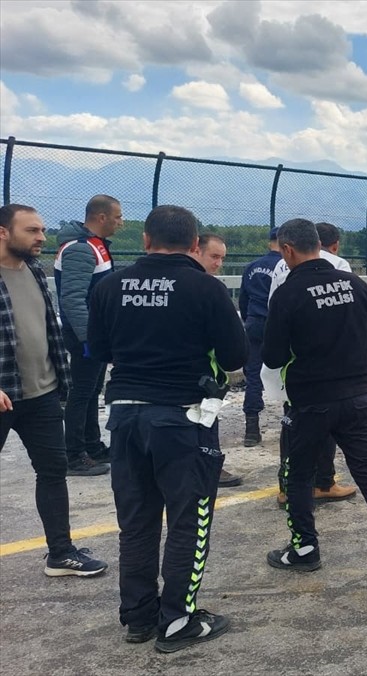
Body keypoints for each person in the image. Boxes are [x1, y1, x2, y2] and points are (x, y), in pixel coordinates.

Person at [88, 204, 247, 653]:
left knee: (136, 521)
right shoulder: (205, 288)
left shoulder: (110, 285)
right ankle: (178, 619)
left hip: (124, 415)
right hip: (182, 417)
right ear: (195, 244)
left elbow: (97, 349)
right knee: (188, 520)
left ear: (144, 240)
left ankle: (138, 616)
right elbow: (236, 357)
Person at [261, 218, 367, 598]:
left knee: (299, 474)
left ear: (286, 250)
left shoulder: (288, 293)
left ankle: (304, 548)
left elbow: (271, 354)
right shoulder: (355, 284)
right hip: (358, 394)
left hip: (311, 400)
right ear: (321, 244)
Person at [0, 204, 109, 578]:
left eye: (42, 229)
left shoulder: (32, 270)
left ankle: (60, 553)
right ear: (3, 232)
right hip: (4, 394)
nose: (42, 238)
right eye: (31, 230)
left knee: (53, 471)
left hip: (41, 393)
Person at [265, 221, 357, 506]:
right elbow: (346, 313)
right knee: (327, 424)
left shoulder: (281, 266)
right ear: (330, 244)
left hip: (291, 362)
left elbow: (273, 309)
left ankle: (286, 486)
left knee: (291, 422)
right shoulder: (339, 265)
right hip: (329, 363)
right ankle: (323, 483)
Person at [54, 194, 122, 476]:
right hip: (85, 335)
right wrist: (87, 338)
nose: (121, 222)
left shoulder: (95, 246)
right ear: (101, 217)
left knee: (92, 389)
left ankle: (92, 446)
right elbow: (72, 299)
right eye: (117, 216)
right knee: (81, 392)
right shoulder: (81, 249)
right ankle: (74, 455)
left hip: (95, 334)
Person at [188, 235, 243, 489]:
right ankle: (211, 466)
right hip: (200, 377)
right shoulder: (207, 288)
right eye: (214, 256)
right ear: (195, 250)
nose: (219, 263)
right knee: (204, 422)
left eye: (222, 258)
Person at [238, 227, 282, 446]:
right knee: (288, 372)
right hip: (278, 326)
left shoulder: (253, 267)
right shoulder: (285, 266)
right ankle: (289, 422)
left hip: (254, 323)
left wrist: (249, 321)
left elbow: (243, 300)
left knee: (253, 376)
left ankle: (251, 430)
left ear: (269, 243)